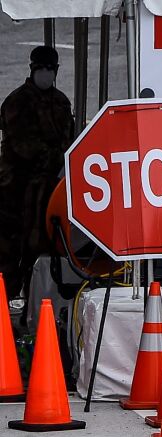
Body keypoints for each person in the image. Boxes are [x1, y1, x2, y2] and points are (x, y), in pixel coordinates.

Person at [0, 46, 74, 314]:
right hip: (16, 192)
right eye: (41, 68)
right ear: (32, 69)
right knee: (9, 252)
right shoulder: (16, 102)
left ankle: (33, 308)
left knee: (40, 251)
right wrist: (57, 160)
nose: (46, 73)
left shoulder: (61, 102)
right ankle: (4, 305)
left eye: (50, 69)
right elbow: (23, 147)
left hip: (48, 193)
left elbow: (69, 141)